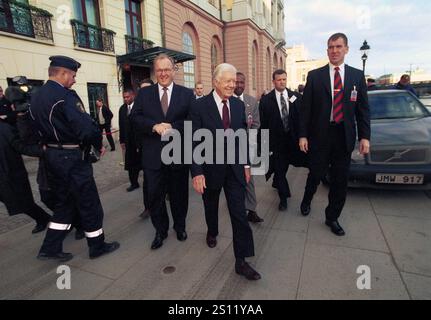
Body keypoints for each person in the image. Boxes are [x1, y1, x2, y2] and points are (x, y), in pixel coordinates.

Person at [30, 55, 119, 261]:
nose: (74, 79)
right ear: (62, 73)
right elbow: (86, 129)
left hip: (51, 157)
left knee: (64, 203)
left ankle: (49, 248)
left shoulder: (36, 97)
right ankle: (97, 246)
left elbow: (31, 129)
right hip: (72, 158)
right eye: (73, 75)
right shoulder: (66, 96)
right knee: (89, 204)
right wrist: (97, 146)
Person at [190, 63, 261, 281]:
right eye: (228, 81)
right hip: (210, 170)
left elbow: (243, 139)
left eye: (234, 81)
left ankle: (242, 260)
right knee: (211, 206)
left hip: (235, 170)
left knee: (239, 214)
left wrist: (247, 165)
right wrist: (197, 173)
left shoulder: (239, 107)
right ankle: (212, 231)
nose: (233, 85)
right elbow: (193, 142)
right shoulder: (199, 106)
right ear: (216, 82)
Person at [299, 33, 370, 236]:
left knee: (340, 180)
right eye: (331, 47)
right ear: (327, 50)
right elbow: (306, 110)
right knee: (315, 173)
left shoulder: (357, 76)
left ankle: (332, 217)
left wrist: (365, 136)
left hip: (344, 136)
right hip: (320, 135)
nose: (334, 51)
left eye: (339, 46)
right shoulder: (315, 76)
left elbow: (363, 109)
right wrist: (303, 135)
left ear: (346, 49)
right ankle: (306, 199)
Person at [132, 54, 194, 250]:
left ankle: (180, 226)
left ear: (173, 70)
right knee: (154, 196)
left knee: (179, 195)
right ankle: (161, 230)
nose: (163, 73)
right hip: (153, 157)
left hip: (178, 154)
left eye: (167, 69)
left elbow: (193, 121)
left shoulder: (186, 94)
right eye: (159, 70)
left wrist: (173, 125)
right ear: (155, 71)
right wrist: (153, 126)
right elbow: (134, 118)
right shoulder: (144, 94)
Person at [0, 107, 51, 234]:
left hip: (11, 173)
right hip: (4, 174)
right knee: (16, 202)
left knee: (23, 202)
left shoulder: (4, 128)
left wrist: (44, 152)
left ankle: (46, 219)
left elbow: (21, 146)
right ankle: (44, 219)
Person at [259, 69, 303, 211]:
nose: (282, 82)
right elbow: (263, 125)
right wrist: (264, 147)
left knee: (283, 169)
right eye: (279, 80)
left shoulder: (295, 97)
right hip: (276, 143)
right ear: (274, 81)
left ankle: (278, 182)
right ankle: (283, 198)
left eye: (284, 79)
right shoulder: (266, 100)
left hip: (293, 141)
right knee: (279, 169)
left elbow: (302, 119)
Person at [234, 72, 263, 223]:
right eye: (236, 82)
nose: (239, 85)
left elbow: (256, 124)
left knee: (248, 179)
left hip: (247, 147)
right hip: (229, 148)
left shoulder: (251, 101)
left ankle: (251, 210)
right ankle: (237, 207)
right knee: (233, 179)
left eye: (241, 82)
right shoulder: (227, 101)